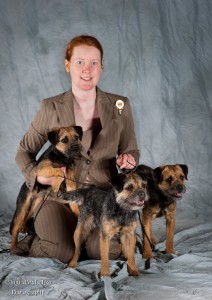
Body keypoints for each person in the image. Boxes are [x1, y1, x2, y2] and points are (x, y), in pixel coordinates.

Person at [13, 35, 140, 263]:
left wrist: (130, 159)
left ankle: (84, 239)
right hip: (58, 198)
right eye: (80, 62)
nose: (87, 69)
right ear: (68, 65)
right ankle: (35, 239)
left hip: (102, 198)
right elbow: (23, 152)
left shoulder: (120, 105)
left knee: (100, 252)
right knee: (61, 252)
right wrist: (37, 178)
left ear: (102, 66)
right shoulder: (50, 107)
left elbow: (131, 149)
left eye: (94, 62)